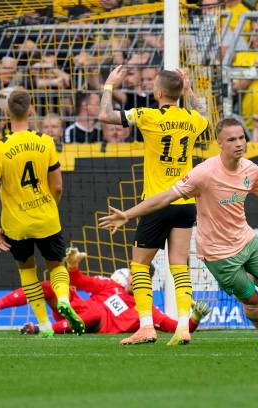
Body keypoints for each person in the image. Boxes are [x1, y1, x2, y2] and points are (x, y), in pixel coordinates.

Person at [99, 118, 258, 348]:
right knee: (251, 298)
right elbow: (166, 196)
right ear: (220, 142)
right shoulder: (204, 173)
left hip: (247, 241)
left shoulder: (251, 170)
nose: (239, 143)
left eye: (241, 137)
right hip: (218, 254)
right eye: (232, 139)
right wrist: (128, 214)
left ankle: (248, 275)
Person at [98, 66, 208, 346]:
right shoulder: (191, 118)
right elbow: (205, 115)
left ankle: (146, 326)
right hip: (185, 201)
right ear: (179, 92)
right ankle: (183, 326)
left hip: (157, 202)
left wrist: (109, 85)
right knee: (180, 266)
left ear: (158, 93)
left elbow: (104, 116)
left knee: (139, 265)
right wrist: (190, 90)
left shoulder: (147, 116)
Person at [0, 88, 84, 337]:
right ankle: (63, 299)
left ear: (7, 112)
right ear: (31, 110)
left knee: (27, 270)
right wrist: (50, 206)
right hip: (46, 218)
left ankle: (45, 324)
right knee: (56, 266)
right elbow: (58, 186)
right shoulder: (45, 141)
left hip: (16, 224)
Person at [0, 247, 211, 334]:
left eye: (139, 278)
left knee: (94, 315)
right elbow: (79, 280)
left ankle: (41, 329)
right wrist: (73, 264)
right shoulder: (111, 286)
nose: (132, 278)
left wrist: (195, 318)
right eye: (133, 274)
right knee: (50, 286)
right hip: (75, 310)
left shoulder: (147, 310)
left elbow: (176, 327)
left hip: (91, 323)